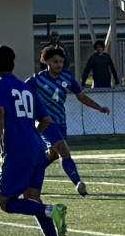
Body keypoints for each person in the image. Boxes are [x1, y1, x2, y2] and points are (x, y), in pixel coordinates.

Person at [0, 44, 68, 236]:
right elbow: (46, 119)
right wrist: (32, 134)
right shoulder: (27, 88)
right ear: (13, 64)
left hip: (18, 150)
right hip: (37, 148)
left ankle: (51, 210)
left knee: (6, 203)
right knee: (32, 198)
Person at [27, 45, 110, 196]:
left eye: (61, 61)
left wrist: (99, 107)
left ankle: (29, 173)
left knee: (52, 154)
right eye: (55, 61)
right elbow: (22, 93)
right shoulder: (37, 80)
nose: (58, 64)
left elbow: (81, 96)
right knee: (64, 151)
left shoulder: (67, 77)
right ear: (47, 62)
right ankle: (78, 183)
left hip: (61, 122)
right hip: (45, 123)